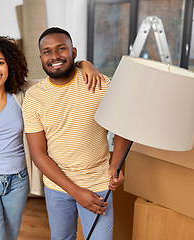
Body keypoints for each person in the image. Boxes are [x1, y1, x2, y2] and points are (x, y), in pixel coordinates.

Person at [0, 36, 104, 240]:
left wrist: (85, 65)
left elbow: (57, 73)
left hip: (17, 181)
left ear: (10, 65)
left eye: (0, 62)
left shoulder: (23, 92)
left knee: (10, 237)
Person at [22, 27, 131, 240]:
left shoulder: (99, 83)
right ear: (41, 57)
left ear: (73, 52)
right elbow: (38, 154)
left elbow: (123, 130)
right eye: (47, 51)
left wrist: (115, 166)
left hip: (98, 183)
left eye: (61, 49)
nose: (54, 56)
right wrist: (75, 191)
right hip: (57, 186)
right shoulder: (34, 97)